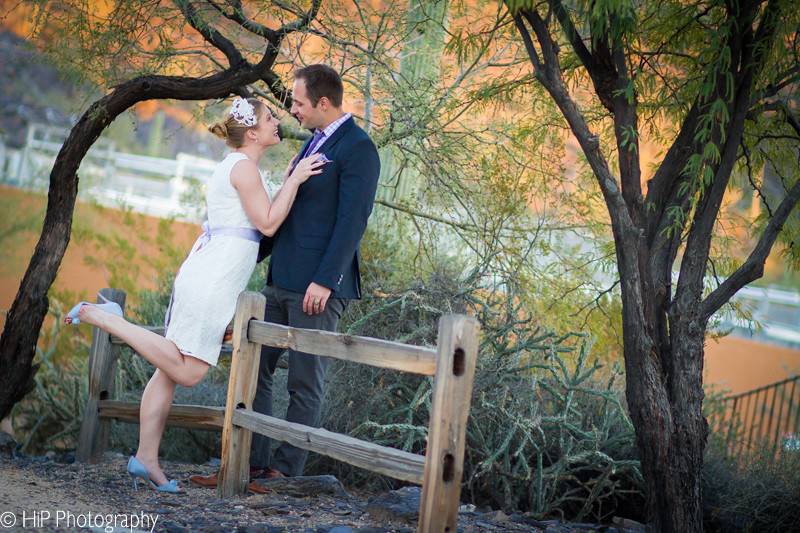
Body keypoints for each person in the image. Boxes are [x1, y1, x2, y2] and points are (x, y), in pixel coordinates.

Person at [65, 97, 327, 492]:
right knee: (188, 371)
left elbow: (260, 214)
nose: (278, 121)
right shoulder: (243, 168)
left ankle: (146, 459)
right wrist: (295, 179)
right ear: (252, 132)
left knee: (167, 370)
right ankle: (105, 317)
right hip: (214, 278)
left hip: (206, 270)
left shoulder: (240, 166)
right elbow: (269, 224)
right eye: (270, 117)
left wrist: (289, 176)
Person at [191, 64, 380, 487]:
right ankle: (252, 462)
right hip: (280, 279)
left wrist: (326, 280)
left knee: (304, 379)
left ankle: (285, 471)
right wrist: (236, 256)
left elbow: (353, 221)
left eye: (297, 102)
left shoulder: (359, 149)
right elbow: (286, 213)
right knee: (254, 367)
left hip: (317, 287)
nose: (291, 108)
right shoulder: (314, 142)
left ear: (323, 103)